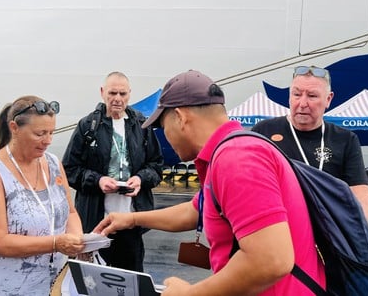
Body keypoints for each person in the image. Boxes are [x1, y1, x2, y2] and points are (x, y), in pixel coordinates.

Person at [94, 70, 325, 295]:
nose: (165, 136)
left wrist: (190, 293)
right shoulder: (232, 150)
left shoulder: (236, 158)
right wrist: (131, 219)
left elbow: (270, 260)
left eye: (164, 127)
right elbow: (196, 210)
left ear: (180, 117)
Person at [0, 95, 85, 295]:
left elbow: (69, 212)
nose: (48, 141)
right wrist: (55, 243)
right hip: (0, 286)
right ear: (14, 128)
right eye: (40, 134)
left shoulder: (52, 163)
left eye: (51, 133)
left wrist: (78, 240)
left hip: (49, 285)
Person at [62, 71, 163, 271]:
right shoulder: (87, 126)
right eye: (112, 93)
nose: (117, 99)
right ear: (102, 93)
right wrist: (97, 181)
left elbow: (156, 166)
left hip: (131, 222)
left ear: (130, 94)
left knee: (131, 279)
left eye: (122, 94)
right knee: (94, 281)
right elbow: (69, 169)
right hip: (96, 223)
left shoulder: (141, 125)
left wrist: (140, 179)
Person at [251, 65, 368, 222]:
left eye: (312, 96)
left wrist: (360, 226)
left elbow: (358, 189)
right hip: (278, 228)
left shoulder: (345, 139)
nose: (302, 103)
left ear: (328, 99)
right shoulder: (263, 132)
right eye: (296, 94)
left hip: (327, 230)